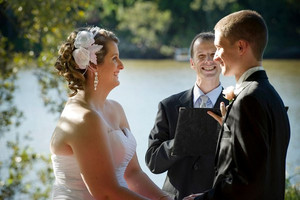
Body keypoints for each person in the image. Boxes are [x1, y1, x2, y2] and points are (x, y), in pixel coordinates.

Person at [50, 26, 172, 200]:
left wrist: (165, 198)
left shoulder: (116, 109)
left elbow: (133, 174)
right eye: (114, 59)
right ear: (93, 66)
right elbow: (106, 193)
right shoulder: (84, 118)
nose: (121, 66)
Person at [184, 10, 290, 200]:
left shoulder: (248, 100)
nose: (215, 57)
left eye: (218, 48)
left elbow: (246, 183)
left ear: (241, 47)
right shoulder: (271, 95)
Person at [145, 32, 229, 200]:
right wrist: (181, 141)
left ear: (221, 60)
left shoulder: (235, 106)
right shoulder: (168, 105)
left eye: (213, 55)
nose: (208, 61)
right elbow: (153, 162)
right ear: (192, 63)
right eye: (201, 56)